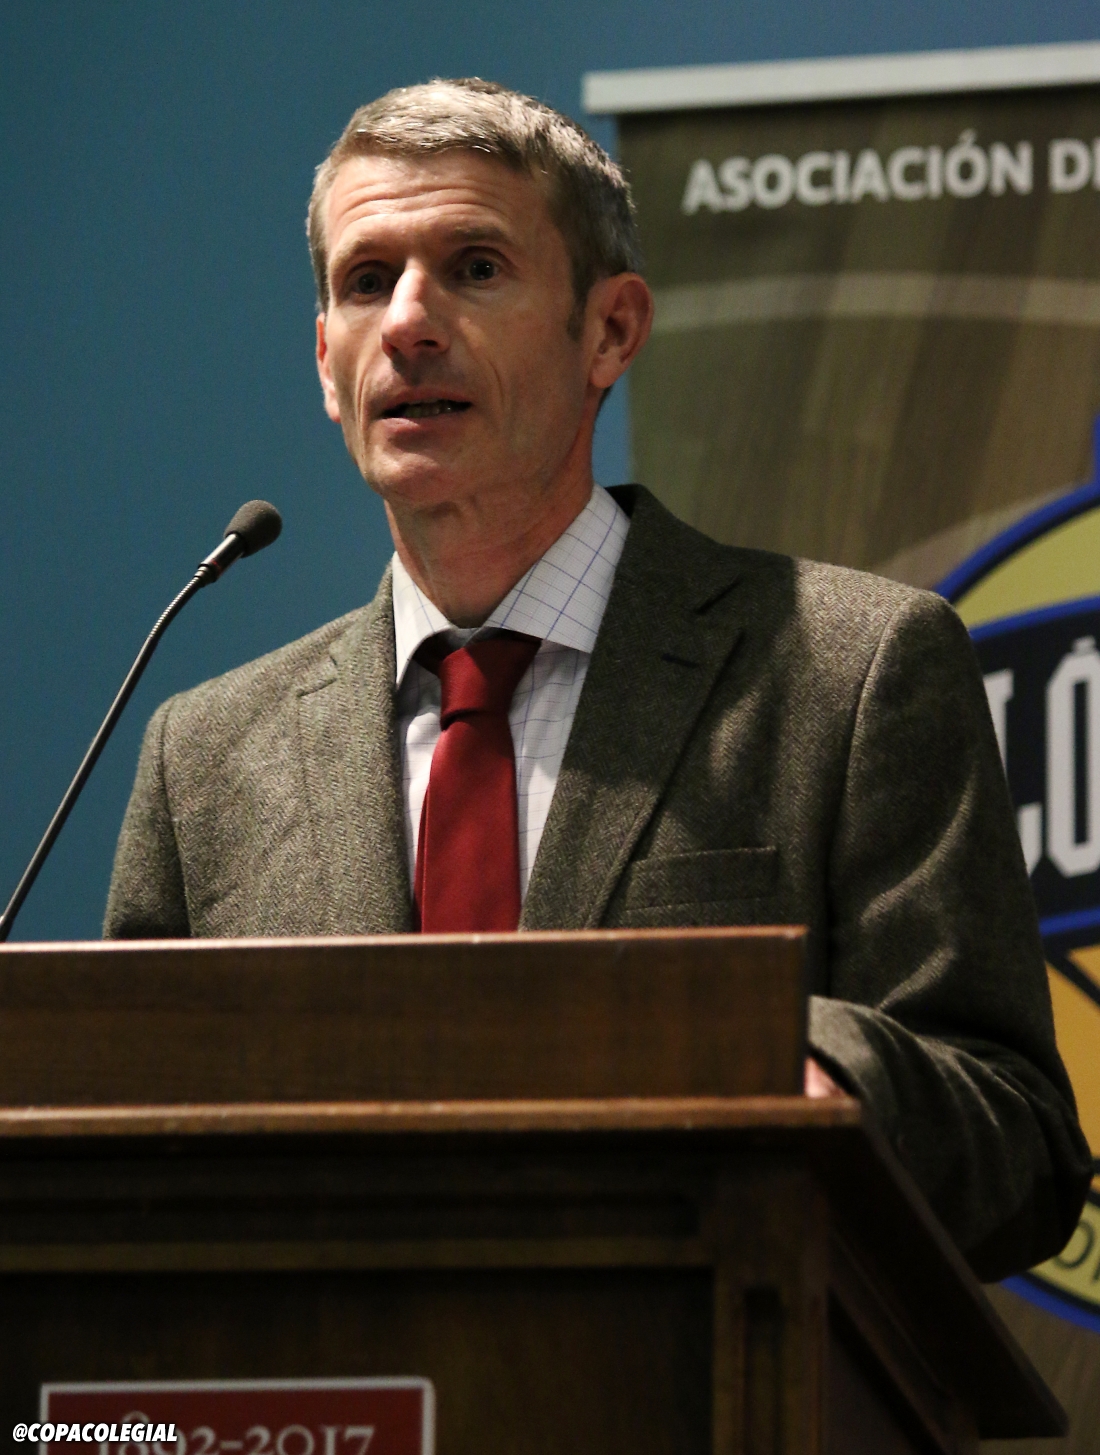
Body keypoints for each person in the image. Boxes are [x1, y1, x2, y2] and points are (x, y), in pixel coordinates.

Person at [104, 78, 1091, 1280]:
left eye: (473, 267)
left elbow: (1014, 1146)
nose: (407, 322)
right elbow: (115, 1177)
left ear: (610, 331)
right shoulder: (205, 760)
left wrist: (796, 1067)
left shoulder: (849, 670)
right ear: (326, 363)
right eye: (365, 282)